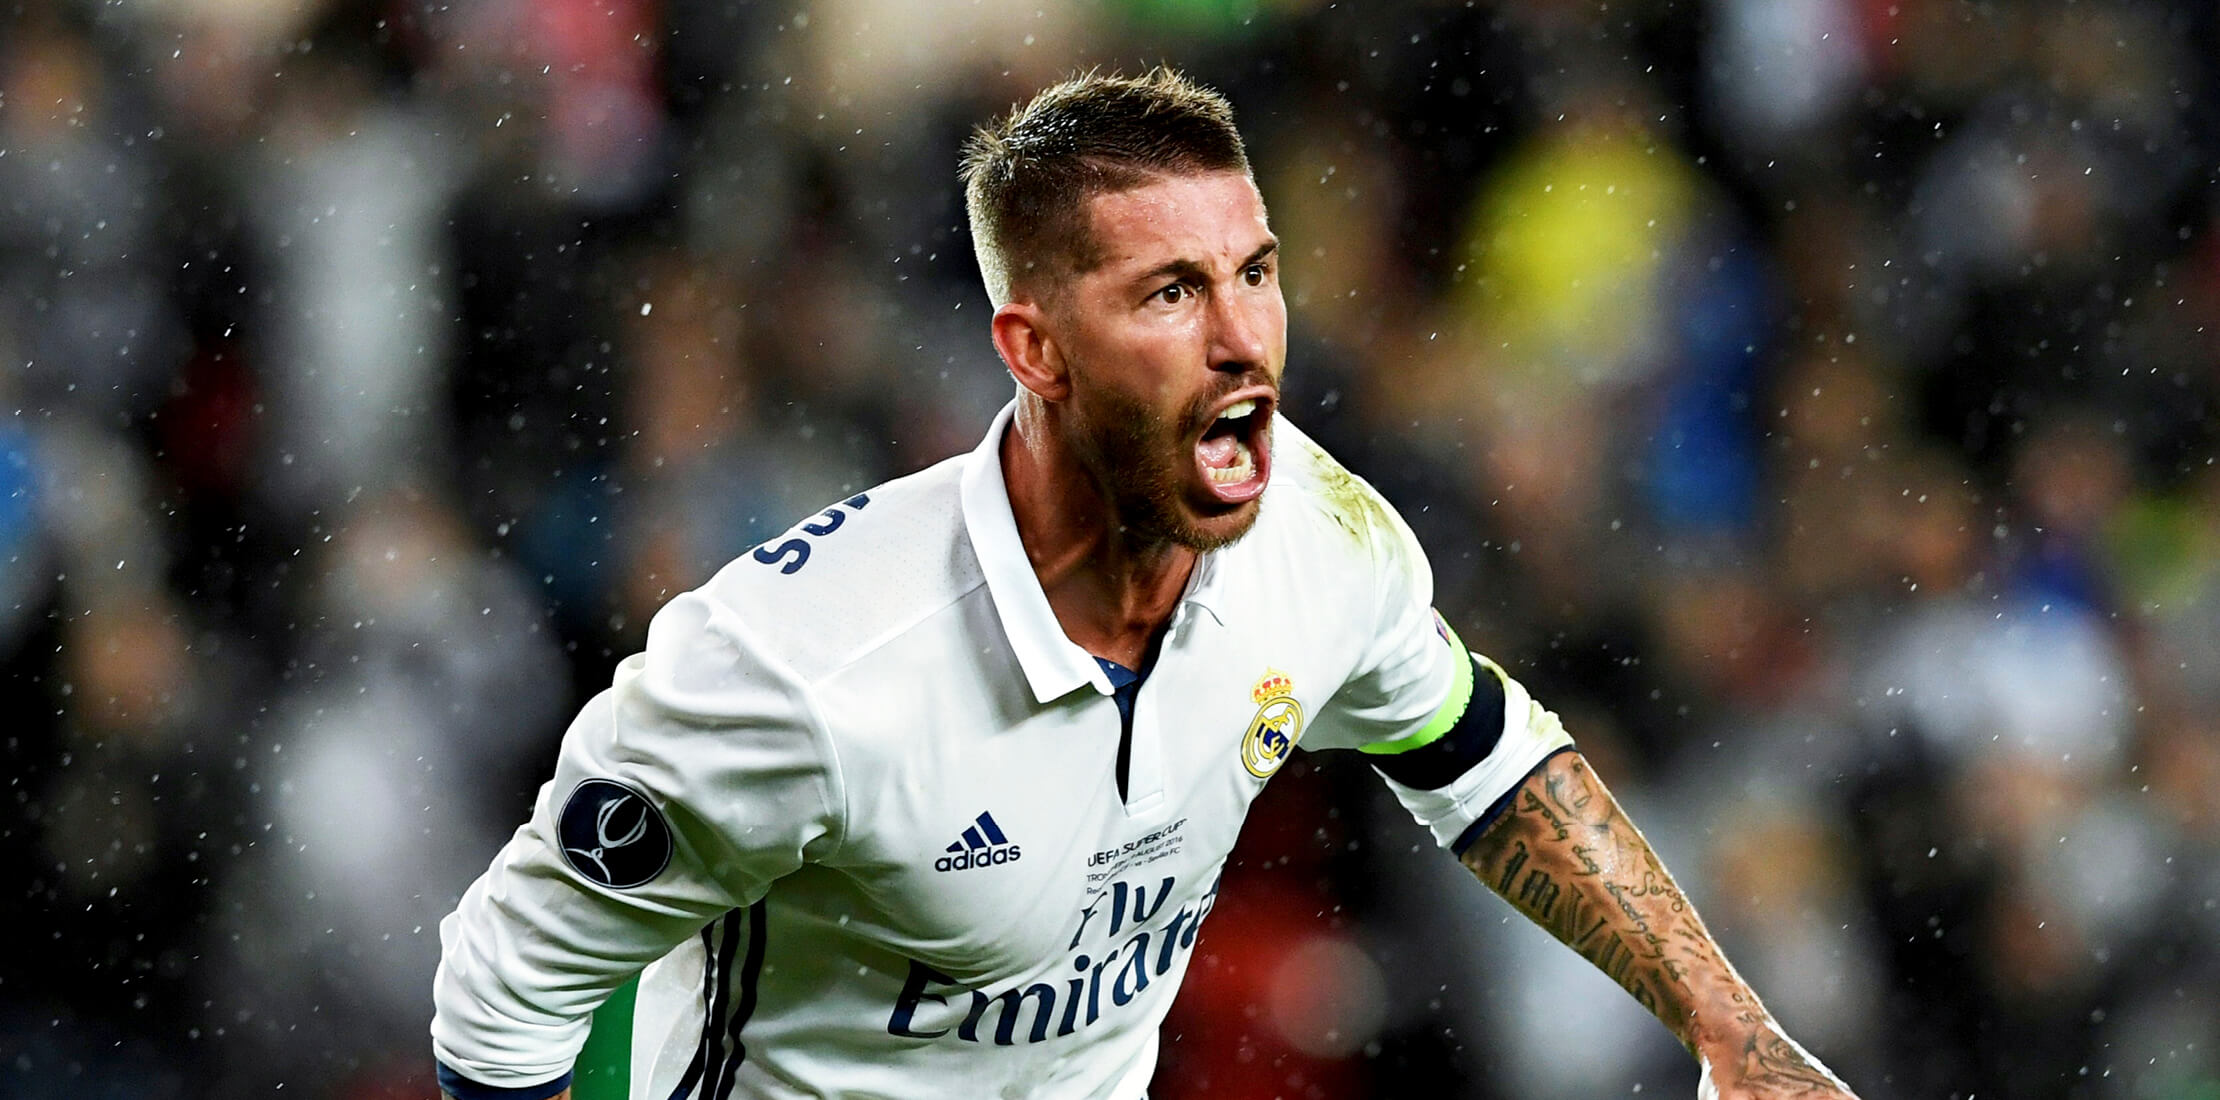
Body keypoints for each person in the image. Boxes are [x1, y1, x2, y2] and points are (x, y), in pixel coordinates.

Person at [432, 68, 1861, 1100]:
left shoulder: (1318, 534)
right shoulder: (800, 664)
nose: (1246, 340)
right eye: (1171, 293)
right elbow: (509, 995)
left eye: (1257, 272)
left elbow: (1482, 758)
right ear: (1035, 350)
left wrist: (1725, 1025)